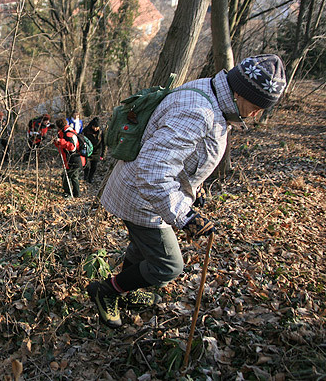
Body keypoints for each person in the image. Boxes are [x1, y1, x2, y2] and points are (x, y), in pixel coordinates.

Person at [88, 54, 287, 328]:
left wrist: (196, 187)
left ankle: (125, 291)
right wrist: (185, 216)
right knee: (167, 265)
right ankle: (107, 291)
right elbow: (154, 172)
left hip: (145, 192)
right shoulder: (199, 112)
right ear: (241, 91)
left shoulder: (213, 95)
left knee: (142, 248)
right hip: (142, 197)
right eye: (255, 106)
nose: (256, 114)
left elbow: (187, 155)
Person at [54, 118, 86, 198]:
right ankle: (76, 194)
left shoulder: (68, 134)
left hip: (74, 159)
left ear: (59, 126)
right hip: (73, 159)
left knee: (67, 176)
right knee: (73, 177)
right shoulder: (65, 132)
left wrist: (61, 141)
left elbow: (72, 147)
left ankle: (69, 194)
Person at [82, 117, 105, 183]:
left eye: (96, 127)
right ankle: (85, 176)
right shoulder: (87, 130)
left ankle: (90, 178)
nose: (95, 129)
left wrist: (103, 154)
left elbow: (104, 143)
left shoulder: (101, 132)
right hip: (88, 150)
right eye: (94, 127)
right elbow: (81, 138)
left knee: (94, 166)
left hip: (96, 151)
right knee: (86, 165)